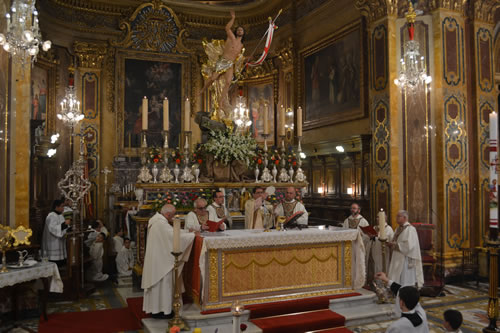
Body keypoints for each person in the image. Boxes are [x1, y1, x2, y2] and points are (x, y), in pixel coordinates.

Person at [142, 204, 195, 319]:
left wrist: (187, 232)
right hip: (162, 262)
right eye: (172, 215)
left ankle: (156, 309)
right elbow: (174, 237)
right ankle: (164, 311)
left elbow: (173, 232)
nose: (173, 218)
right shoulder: (160, 224)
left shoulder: (156, 221)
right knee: (165, 285)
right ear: (167, 214)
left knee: (159, 287)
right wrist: (192, 235)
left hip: (158, 259)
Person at [199, 10, 245, 117]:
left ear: (243, 33)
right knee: (213, 78)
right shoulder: (231, 37)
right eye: (238, 29)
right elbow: (227, 28)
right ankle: (202, 90)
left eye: (241, 30)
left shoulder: (241, 45)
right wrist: (232, 18)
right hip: (223, 61)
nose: (239, 31)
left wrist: (247, 58)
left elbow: (238, 57)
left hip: (230, 64)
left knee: (228, 82)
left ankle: (220, 102)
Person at [387, 210, 424, 288]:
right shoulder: (398, 228)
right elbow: (395, 240)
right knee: (397, 275)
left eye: (398, 216)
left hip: (405, 257)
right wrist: (391, 243)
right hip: (397, 255)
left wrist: (394, 245)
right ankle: (396, 289)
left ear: (404, 218)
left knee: (404, 277)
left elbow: (409, 245)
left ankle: (405, 290)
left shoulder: (410, 229)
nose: (396, 218)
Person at [42, 199, 71, 265]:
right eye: (62, 206)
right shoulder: (51, 216)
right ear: (56, 207)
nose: (63, 208)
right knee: (55, 262)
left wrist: (68, 227)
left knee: (61, 262)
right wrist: (65, 224)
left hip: (60, 242)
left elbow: (64, 227)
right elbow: (53, 229)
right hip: (53, 243)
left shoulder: (61, 215)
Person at [343, 203, 370, 271]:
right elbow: (343, 233)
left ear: (359, 210)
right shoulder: (346, 221)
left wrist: (361, 236)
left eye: (354, 208)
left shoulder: (364, 221)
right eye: (351, 208)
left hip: (359, 246)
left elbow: (368, 235)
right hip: (349, 246)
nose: (352, 210)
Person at [366, 213, 394, 279]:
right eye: (377, 217)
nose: (377, 219)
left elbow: (390, 240)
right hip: (374, 251)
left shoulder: (388, 228)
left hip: (382, 253)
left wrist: (377, 236)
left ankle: (382, 282)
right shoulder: (374, 227)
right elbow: (372, 240)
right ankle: (374, 282)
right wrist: (371, 237)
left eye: (379, 217)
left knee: (381, 266)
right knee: (374, 266)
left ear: (385, 219)